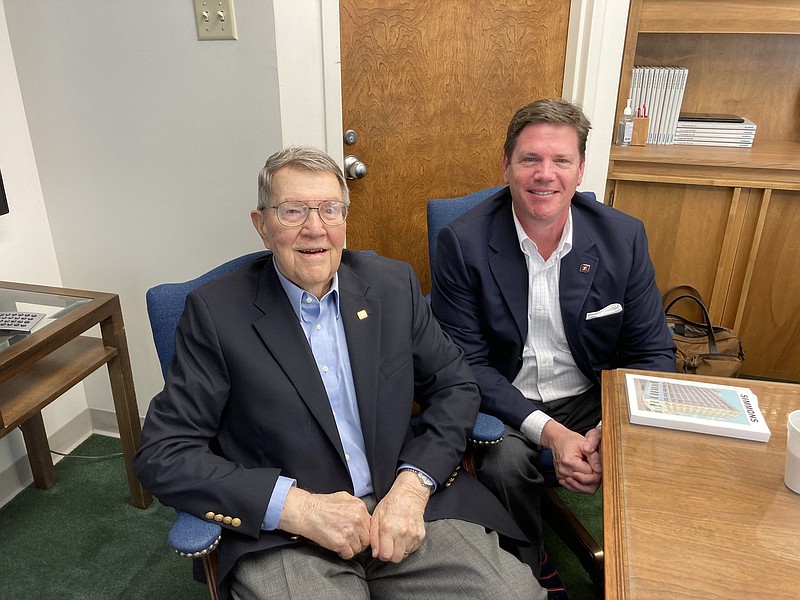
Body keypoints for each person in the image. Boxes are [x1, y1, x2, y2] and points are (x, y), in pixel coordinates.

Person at [133, 145, 545, 600]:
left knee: (514, 594)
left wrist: (412, 486)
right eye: (292, 211)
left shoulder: (392, 285)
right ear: (261, 225)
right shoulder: (215, 313)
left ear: (344, 218)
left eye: (330, 209)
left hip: (404, 505)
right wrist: (296, 507)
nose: (315, 228)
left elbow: (455, 385)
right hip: (288, 538)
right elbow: (163, 453)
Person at [430, 98, 676, 575]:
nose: (546, 173)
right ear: (507, 166)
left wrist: (612, 430)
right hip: (506, 396)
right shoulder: (462, 243)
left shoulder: (622, 238)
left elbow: (651, 351)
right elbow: (466, 364)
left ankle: (647, 571)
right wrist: (553, 434)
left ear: (580, 170)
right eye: (530, 159)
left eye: (561, 160)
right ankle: (527, 564)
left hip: (590, 392)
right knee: (501, 463)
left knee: (653, 441)